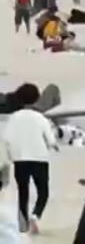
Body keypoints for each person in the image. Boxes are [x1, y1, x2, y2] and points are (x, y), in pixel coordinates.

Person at [5, 83, 57, 233]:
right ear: (36, 99)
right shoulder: (41, 118)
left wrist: (10, 156)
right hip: (39, 158)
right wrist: (53, 145)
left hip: (20, 159)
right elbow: (50, 140)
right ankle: (35, 215)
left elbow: (7, 139)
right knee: (43, 191)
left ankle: (23, 224)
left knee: (23, 191)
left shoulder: (14, 117)